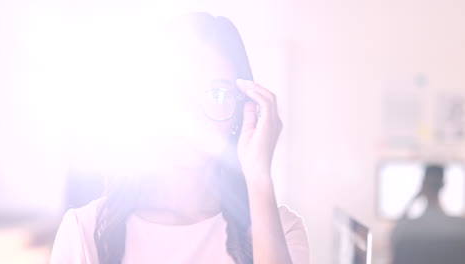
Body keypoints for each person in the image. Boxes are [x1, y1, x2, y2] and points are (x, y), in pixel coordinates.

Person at [50, 12, 309, 264]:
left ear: (242, 112)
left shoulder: (282, 232)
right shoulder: (84, 232)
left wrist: (259, 176)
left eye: (217, 94)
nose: (192, 115)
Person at [391, 164, 465, 264]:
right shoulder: (460, 227)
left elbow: (394, 240)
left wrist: (413, 200)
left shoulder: (404, 229)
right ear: (443, 185)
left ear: (423, 186)